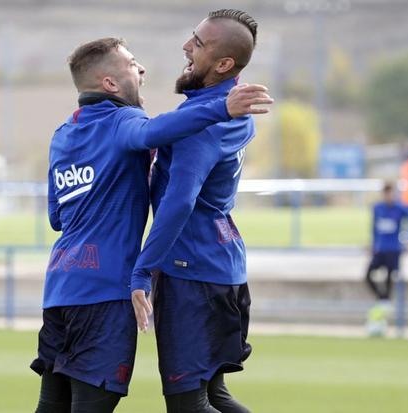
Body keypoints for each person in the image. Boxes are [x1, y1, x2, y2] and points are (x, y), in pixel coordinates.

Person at [30, 37, 272, 413]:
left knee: (52, 405)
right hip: (106, 292)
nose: (140, 69)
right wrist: (222, 108)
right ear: (110, 84)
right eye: (131, 64)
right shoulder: (123, 121)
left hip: (60, 287)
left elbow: (56, 216)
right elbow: (152, 133)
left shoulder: (62, 135)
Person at [131, 9, 261, 413]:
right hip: (224, 267)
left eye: (199, 44)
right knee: (214, 396)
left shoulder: (199, 123)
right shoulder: (233, 111)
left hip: (193, 273)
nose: (187, 47)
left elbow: (181, 201)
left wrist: (142, 268)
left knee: (188, 405)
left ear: (223, 64)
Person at [364, 182, 408, 336]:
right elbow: (374, 227)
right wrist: (373, 243)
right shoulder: (378, 208)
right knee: (368, 275)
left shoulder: (400, 208)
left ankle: (385, 302)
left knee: (390, 275)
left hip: (393, 249)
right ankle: (383, 299)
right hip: (380, 249)